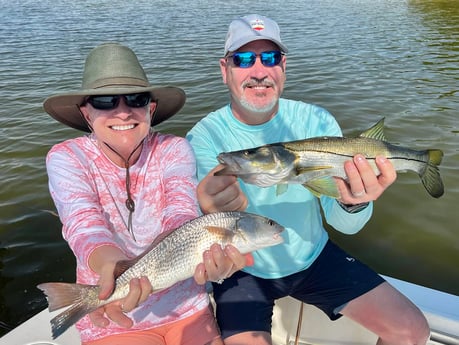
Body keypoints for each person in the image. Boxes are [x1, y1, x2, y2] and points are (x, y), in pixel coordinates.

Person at [186, 14, 431, 345]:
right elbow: (199, 223)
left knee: (413, 331)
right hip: (243, 271)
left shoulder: (317, 120)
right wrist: (208, 211)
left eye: (269, 57)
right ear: (224, 69)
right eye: (243, 59)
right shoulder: (204, 137)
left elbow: (344, 224)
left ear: (283, 66)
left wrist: (354, 201)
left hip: (314, 257)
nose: (258, 71)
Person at [43, 42, 233, 345]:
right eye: (104, 100)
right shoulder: (66, 157)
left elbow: (181, 215)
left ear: (151, 108)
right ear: (86, 113)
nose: (122, 111)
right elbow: (83, 225)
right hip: (110, 308)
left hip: (186, 305)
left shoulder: (174, 149)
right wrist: (114, 268)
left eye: (136, 98)